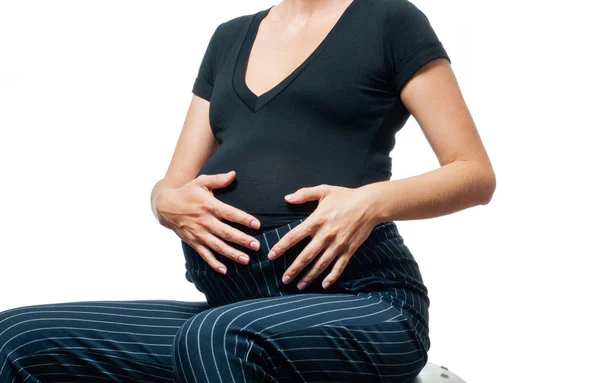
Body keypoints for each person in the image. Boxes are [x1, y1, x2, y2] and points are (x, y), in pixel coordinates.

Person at [0, 0, 495, 382]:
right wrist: (164, 202)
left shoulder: (390, 20)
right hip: (232, 307)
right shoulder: (230, 38)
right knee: (15, 338)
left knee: (217, 338)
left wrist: (368, 201)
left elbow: (473, 173)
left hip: (366, 301)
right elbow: (172, 185)